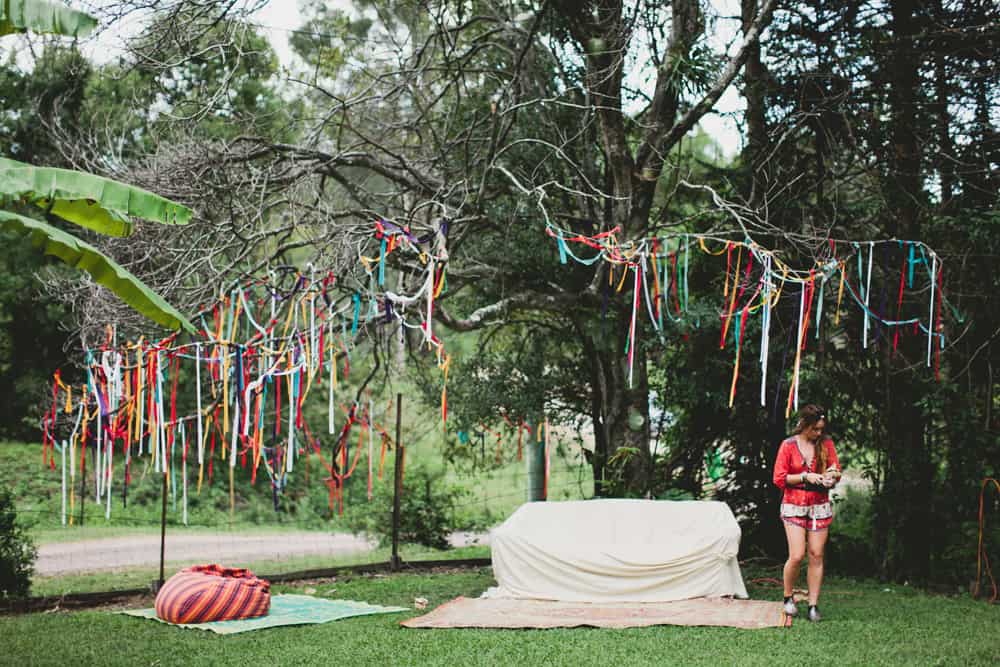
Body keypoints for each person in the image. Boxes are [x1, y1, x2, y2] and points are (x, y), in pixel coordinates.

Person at [772, 404, 841, 622]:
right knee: (797, 554)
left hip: (819, 504)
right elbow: (779, 478)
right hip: (794, 503)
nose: (819, 433)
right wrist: (804, 477)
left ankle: (813, 604)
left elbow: (835, 469)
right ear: (804, 425)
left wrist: (832, 476)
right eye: (815, 429)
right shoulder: (788, 445)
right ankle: (787, 597)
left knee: (816, 554)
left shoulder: (826, 444)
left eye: (821, 429)